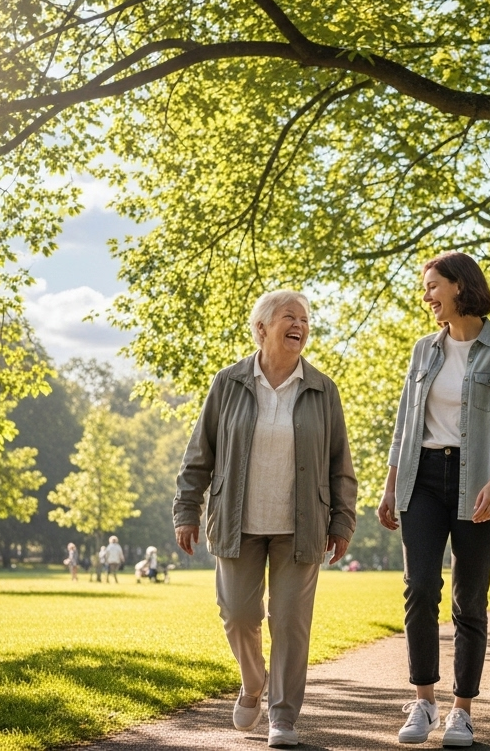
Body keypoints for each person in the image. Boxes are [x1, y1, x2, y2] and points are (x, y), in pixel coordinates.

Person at [174, 289, 357, 749]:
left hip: (303, 525)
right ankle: (252, 683)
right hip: (236, 521)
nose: (300, 325)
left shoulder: (321, 389)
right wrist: (186, 509)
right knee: (237, 615)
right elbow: (200, 455)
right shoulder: (228, 383)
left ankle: (282, 716)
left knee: (290, 621)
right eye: (289, 317)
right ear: (261, 328)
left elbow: (341, 464)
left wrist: (342, 522)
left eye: (306, 319)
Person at [377, 252, 490, 748]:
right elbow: (405, 423)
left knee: (470, 598)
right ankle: (423, 700)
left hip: (477, 481)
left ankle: (461, 711)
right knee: (420, 587)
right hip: (421, 478)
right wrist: (389, 484)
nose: (426, 297)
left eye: (432, 286)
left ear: (460, 286)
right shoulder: (424, 350)